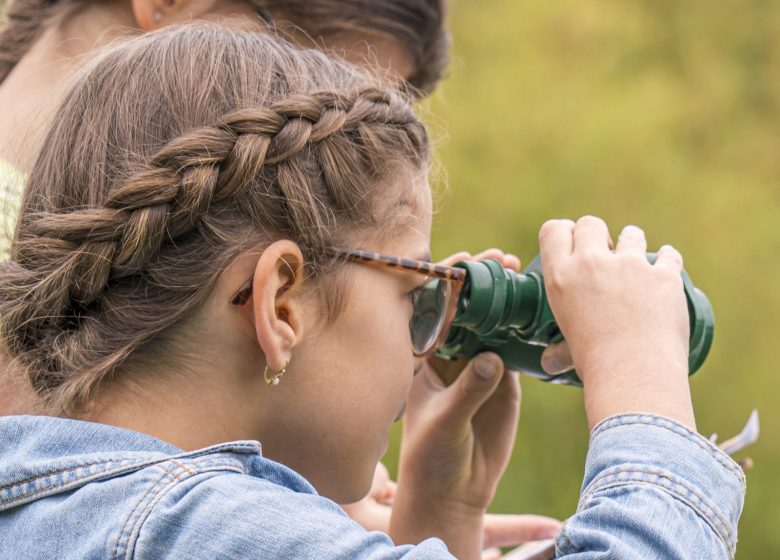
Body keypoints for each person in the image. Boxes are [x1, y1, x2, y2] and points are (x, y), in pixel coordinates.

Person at [0, 24, 744, 559]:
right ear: (282, 304)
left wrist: (436, 522)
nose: (422, 347)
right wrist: (640, 376)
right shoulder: (202, 527)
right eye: (413, 292)